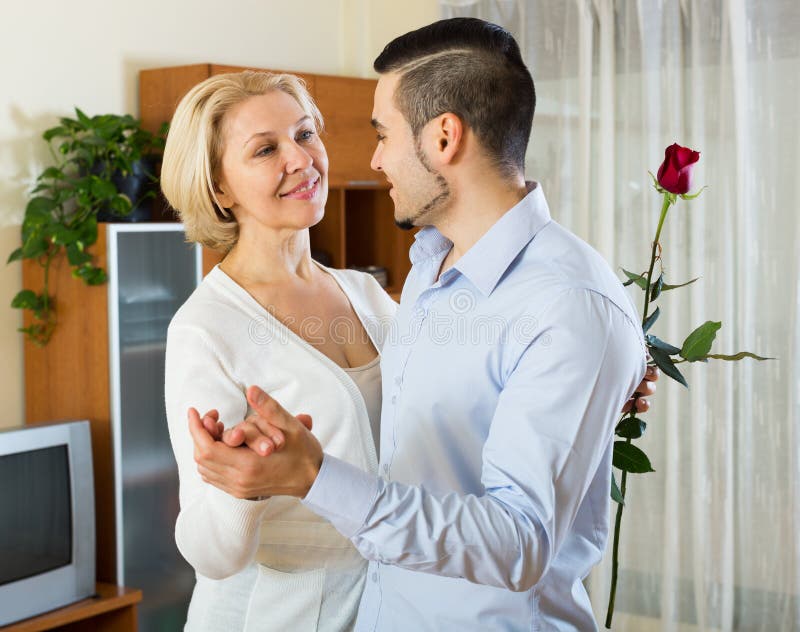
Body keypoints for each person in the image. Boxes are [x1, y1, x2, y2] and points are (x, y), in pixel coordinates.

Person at [190, 17, 656, 632]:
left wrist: (313, 476)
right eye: (266, 147)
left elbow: (518, 541)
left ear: (444, 139)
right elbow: (443, 429)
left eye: (383, 134)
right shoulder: (430, 271)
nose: (375, 158)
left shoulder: (565, 305)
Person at [161, 71, 398, 631]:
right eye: (266, 149)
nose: (300, 158)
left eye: (306, 133)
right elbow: (209, 554)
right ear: (220, 188)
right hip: (278, 614)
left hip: (388, 599)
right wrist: (244, 491)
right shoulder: (206, 328)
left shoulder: (367, 294)